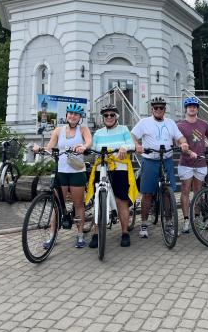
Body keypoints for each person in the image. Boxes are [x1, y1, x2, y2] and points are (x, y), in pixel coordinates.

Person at [34, 103, 92, 248]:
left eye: (76, 114)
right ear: (66, 115)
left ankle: (79, 235)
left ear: (80, 117)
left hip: (77, 172)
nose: (73, 116)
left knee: (78, 204)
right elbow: (50, 147)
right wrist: (39, 148)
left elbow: (89, 141)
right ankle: (53, 235)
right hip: (61, 172)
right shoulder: (58, 130)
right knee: (57, 205)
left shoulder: (83, 129)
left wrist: (83, 147)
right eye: (70, 113)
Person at [131, 97, 190, 239]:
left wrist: (183, 143)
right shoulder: (144, 122)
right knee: (147, 194)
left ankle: (169, 222)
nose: (158, 110)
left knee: (167, 193)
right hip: (150, 161)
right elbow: (132, 135)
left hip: (167, 160)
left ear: (165, 110)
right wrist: (137, 145)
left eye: (161, 108)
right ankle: (144, 224)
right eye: (155, 108)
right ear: (152, 109)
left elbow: (180, 137)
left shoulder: (170, 123)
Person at [87, 104, 137, 248]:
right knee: (98, 200)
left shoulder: (124, 129)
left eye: (112, 115)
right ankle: (96, 234)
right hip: (101, 168)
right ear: (103, 118)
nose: (109, 117)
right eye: (106, 115)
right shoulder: (98, 133)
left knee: (121, 201)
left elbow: (132, 145)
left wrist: (124, 147)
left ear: (116, 117)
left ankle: (125, 233)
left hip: (120, 168)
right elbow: (92, 149)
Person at [177, 97, 208, 233]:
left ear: (198, 109)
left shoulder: (204, 124)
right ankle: (186, 220)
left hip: (201, 163)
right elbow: (177, 143)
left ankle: (196, 218)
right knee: (185, 190)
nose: (192, 108)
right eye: (189, 106)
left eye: (194, 106)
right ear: (186, 109)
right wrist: (187, 150)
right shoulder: (180, 125)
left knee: (198, 192)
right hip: (186, 163)